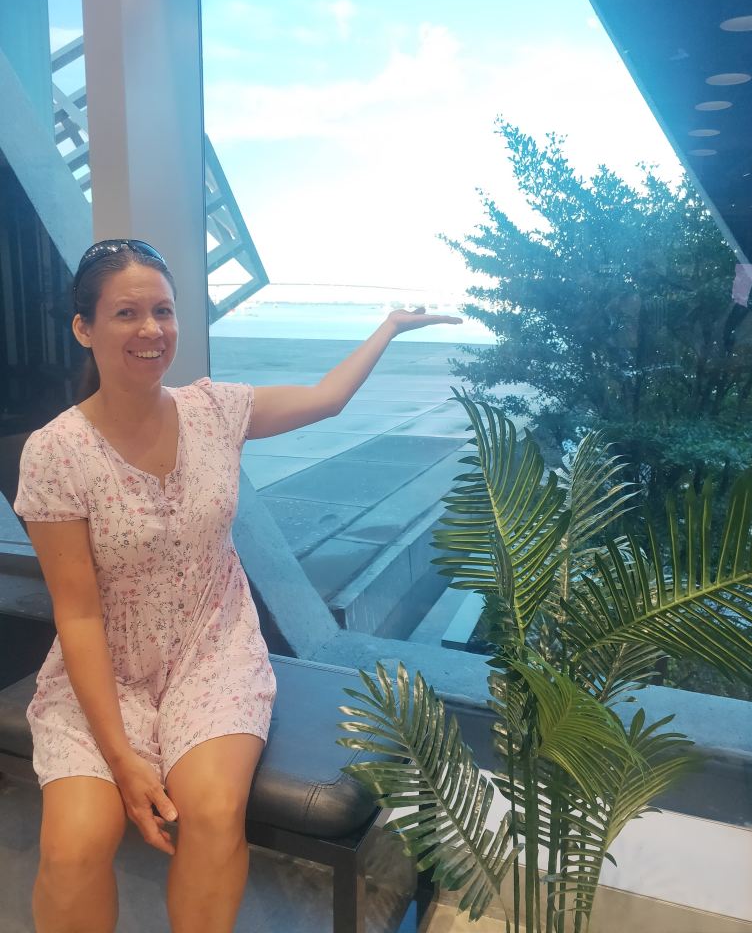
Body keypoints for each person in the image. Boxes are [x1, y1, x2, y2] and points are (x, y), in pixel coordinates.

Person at [14, 238, 461, 933]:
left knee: (214, 812)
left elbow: (325, 399)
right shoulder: (56, 453)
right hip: (106, 671)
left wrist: (389, 327)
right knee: (74, 846)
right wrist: (122, 757)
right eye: (127, 312)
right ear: (84, 327)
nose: (151, 329)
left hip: (213, 650)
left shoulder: (213, 410)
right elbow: (77, 617)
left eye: (163, 310)